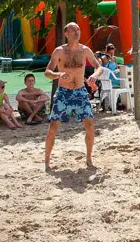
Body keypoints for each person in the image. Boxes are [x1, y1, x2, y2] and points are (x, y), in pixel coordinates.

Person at [44, 22, 102, 170]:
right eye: (73, 30)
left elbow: (99, 67)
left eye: (78, 29)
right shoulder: (59, 51)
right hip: (63, 93)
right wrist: (59, 74)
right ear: (66, 34)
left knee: (89, 125)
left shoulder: (85, 50)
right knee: (53, 128)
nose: (77, 32)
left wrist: (94, 76)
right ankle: (47, 161)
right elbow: (47, 72)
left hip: (80, 91)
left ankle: (89, 158)